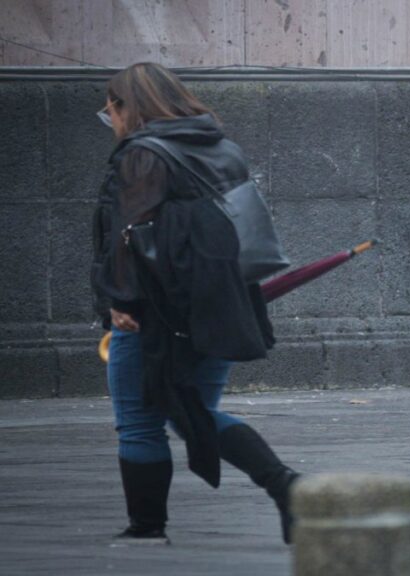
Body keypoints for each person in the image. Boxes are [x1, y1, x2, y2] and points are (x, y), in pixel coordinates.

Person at [90, 63, 299, 544]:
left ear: (127, 107)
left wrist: (121, 300)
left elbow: (130, 233)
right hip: (219, 303)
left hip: (154, 309)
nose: (110, 120)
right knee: (193, 411)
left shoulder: (142, 154)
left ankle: (146, 529)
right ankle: (287, 487)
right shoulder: (222, 148)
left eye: (109, 110)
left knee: (140, 420)